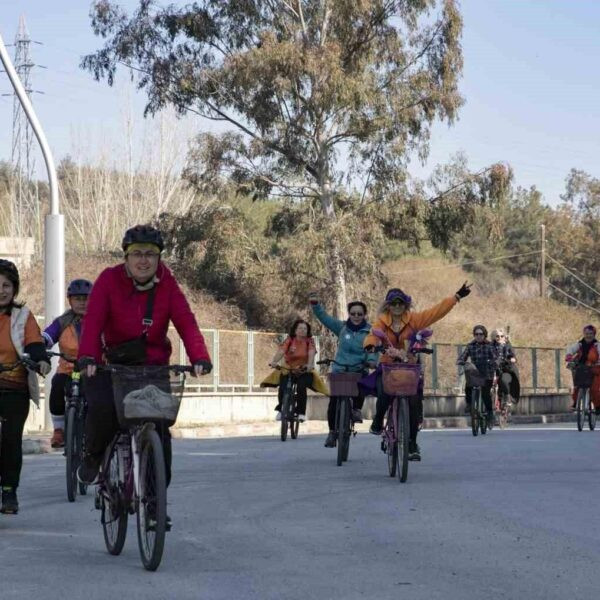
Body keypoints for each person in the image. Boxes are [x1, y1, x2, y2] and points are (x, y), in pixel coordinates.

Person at [77, 225, 213, 494]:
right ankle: (93, 456)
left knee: (160, 429)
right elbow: (93, 322)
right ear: (126, 257)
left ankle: (153, 500)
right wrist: (88, 356)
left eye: (151, 254)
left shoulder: (168, 283)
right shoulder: (108, 280)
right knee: (103, 411)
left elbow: (186, 322)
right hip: (112, 365)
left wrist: (200, 356)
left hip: (152, 367)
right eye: (137, 253)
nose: (144, 260)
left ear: (159, 258)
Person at [364, 283, 471, 461]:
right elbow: (373, 335)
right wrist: (370, 345)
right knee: (383, 392)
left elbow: (436, 312)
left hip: (409, 367)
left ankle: (412, 443)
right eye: (393, 303)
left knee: (414, 403)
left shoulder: (414, 319)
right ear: (388, 306)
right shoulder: (381, 321)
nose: (397, 307)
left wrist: (456, 297)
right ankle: (378, 421)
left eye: (400, 303)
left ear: (405, 305)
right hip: (388, 366)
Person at [0, 259, 50, 514]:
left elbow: (34, 342)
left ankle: (9, 491)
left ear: (14, 288)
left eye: (6, 285)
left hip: (14, 384)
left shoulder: (23, 316)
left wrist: (40, 359)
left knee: (10, 440)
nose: (1, 290)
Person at [309, 293, 377, 448]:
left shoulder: (370, 332)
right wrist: (315, 305)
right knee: (334, 401)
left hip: (359, 368)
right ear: (349, 314)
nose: (356, 316)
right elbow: (325, 318)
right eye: (353, 313)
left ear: (364, 315)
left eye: (360, 314)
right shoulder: (342, 328)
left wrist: (372, 361)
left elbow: (373, 350)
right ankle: (332, 432)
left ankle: (356, 409)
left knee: (361, 386)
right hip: (340, 369)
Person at [43, 279, 93, 448]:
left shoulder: (100, 319)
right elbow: (49, 335)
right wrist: (41, 343)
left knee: (98, 396)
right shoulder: (63, 321)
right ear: (70, 300)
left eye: (86, 298)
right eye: (77, 299)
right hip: (68, 369)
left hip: (92, 369)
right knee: (56, 386)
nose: (82, 302)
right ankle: (59, 431)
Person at [261, 319, 328, 421]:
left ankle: (301, 413)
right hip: (289, 369)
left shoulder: (309, 341)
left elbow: (311, 352)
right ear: (295, 330)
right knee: (283, 387)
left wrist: (309, 364)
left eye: (305, 329)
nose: (302, 330)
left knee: (301, 387)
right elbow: (281, 351)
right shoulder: (290, 339)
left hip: (304, 369)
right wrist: (274, 361)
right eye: (300, 328)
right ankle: (281, 409)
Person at [457, 325, 498, 422]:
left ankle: (489, 412)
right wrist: (460, 360)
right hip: (475, 372)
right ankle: (469, 405)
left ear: (485, 335)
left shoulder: (490, 346)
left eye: (481, 334)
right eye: (476, 334)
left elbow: (495, 357)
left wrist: (495, 362)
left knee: (485, 393)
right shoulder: (470, 346)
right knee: (468, 386)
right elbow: (463, 356)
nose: (478, 336)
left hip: (487, 372)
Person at [565, 325, 600, 413]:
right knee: (577, 386)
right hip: (582, 368)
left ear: (594, 334)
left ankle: (598, 406)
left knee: (594, 389)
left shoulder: (597, 345)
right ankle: (575, 403)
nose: (588, 335)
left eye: (590, 333)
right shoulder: (579, 344)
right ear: (584, 334)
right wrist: (569, 356)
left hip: (594, 369)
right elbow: (571, 349)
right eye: (586, 333)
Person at [490, 328, 520, 410]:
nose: (499, 338)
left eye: (501, 336)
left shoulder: (507, 346)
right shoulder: (490, 346)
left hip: (505, 369)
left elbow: (513, 355)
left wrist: (512, 359)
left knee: (504, 380)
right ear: (494, 337)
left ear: (504, 337)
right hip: (493, 369)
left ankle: (507, 396)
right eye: (497, 336)